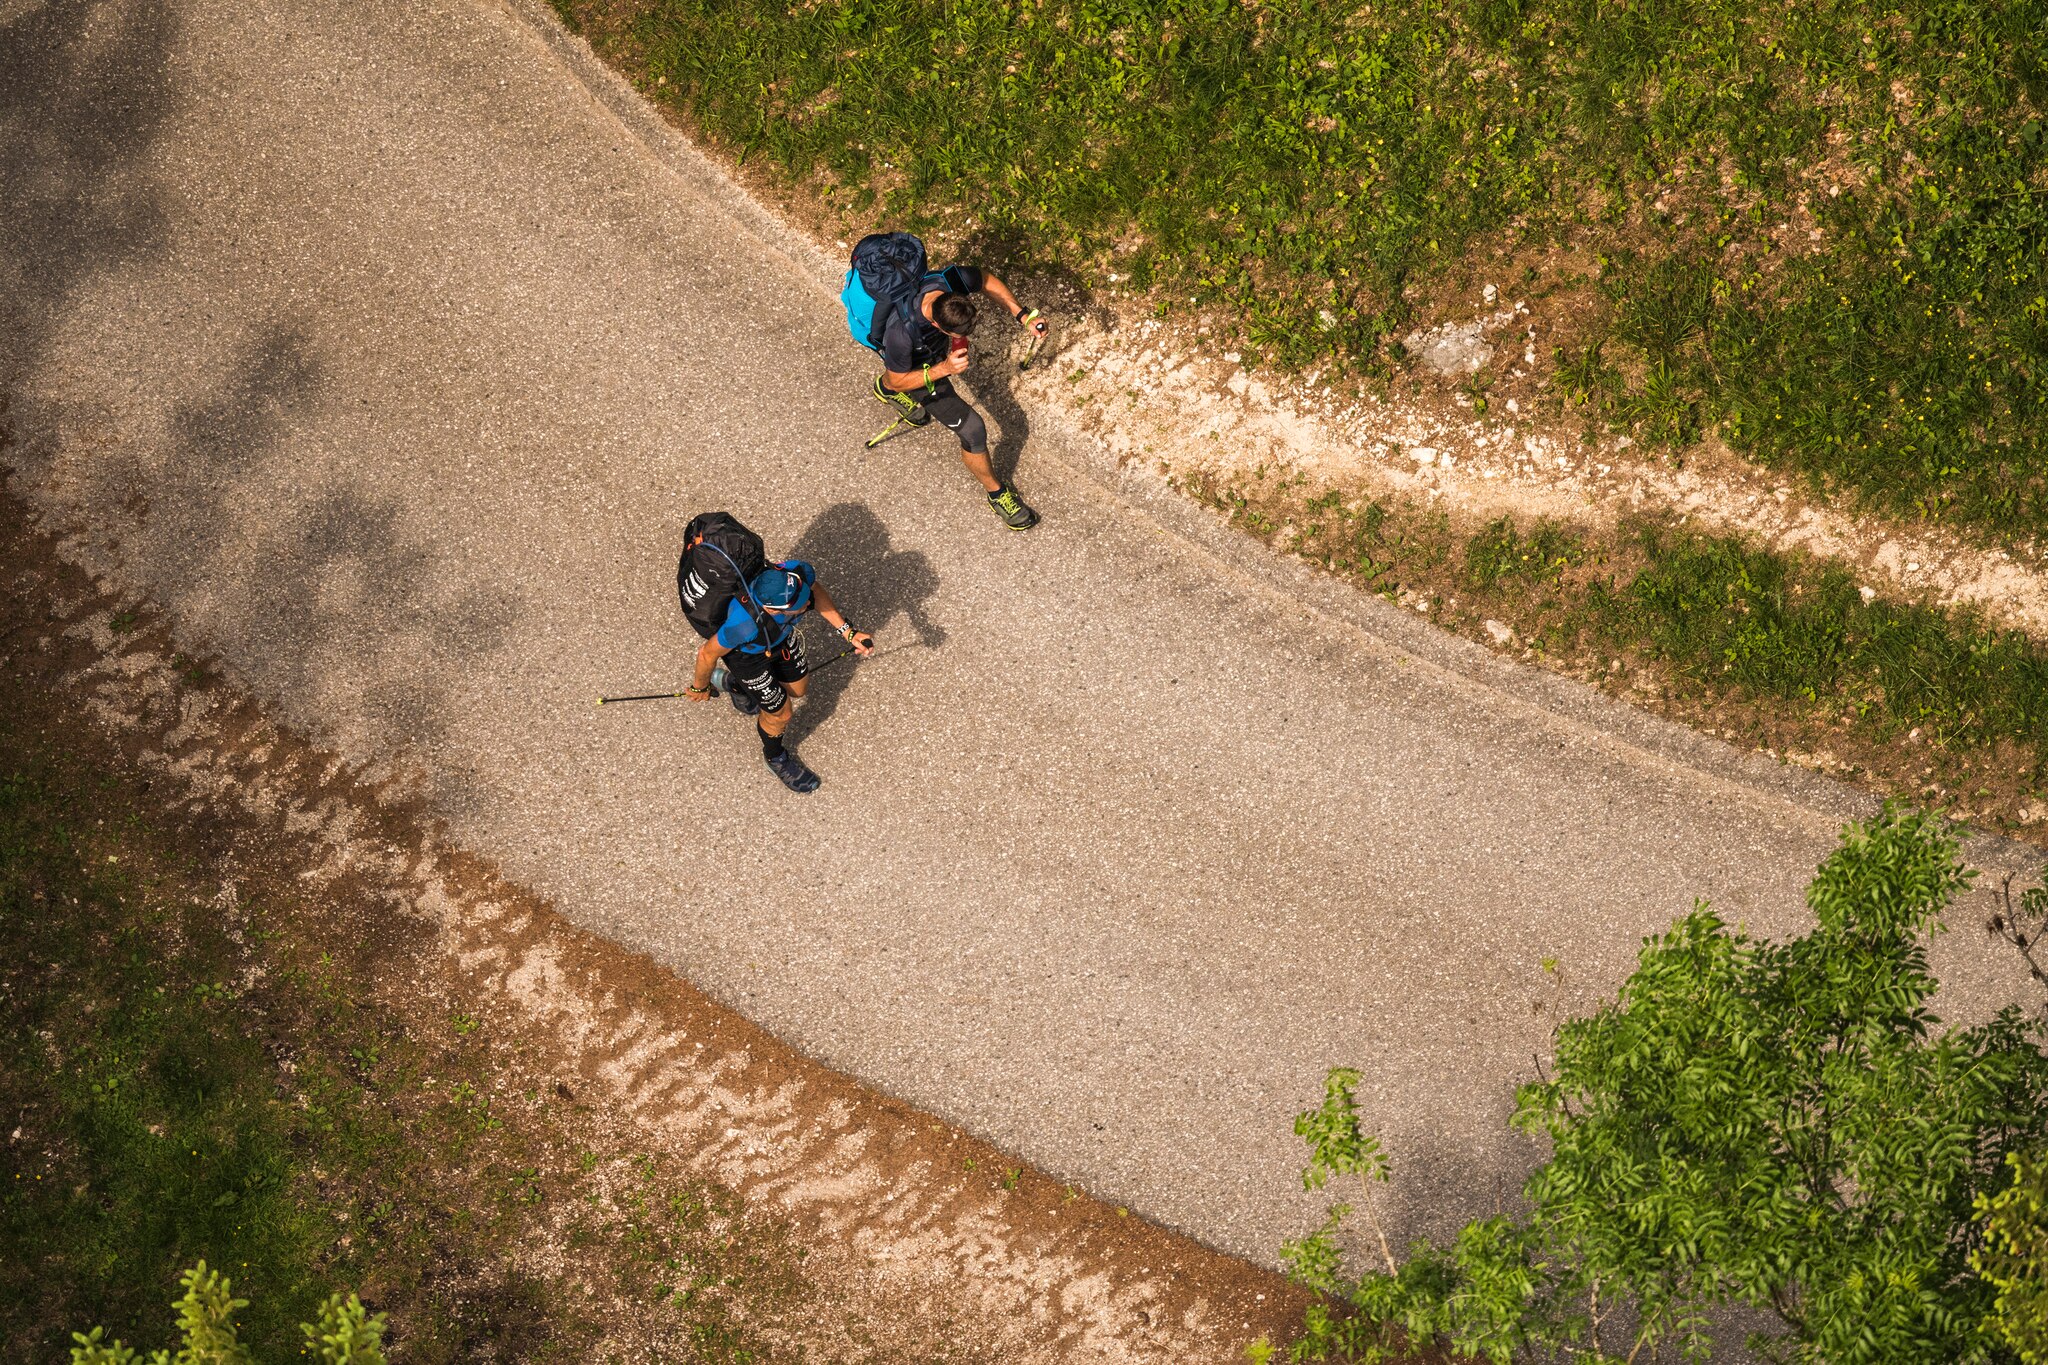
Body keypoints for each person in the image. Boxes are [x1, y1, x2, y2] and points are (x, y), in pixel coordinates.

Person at [869, 263, 1049, 530]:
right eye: (959, 333)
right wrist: (944, 369)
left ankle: (880, 390)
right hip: (918, 367)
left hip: (932, 351)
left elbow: (986, 279)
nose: (966, 337)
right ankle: (997, 494)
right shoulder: (901, 334)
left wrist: (1022, 315)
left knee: (898, 378)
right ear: (935, 324)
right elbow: (898, 380)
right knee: (974, 430)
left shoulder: (952, 281)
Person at [684, 560, 872, 793]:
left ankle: (736, 686)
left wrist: (848, 632)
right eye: (798, 604)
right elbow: (707, 653)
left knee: (797, 690)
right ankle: (775, 758)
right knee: (781, 713)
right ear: (771, 609)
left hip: (780, 640)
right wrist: (699, 687)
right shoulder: (742, 625)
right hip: (749, 659)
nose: (806, 604)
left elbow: (814, 590)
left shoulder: (795, 574)